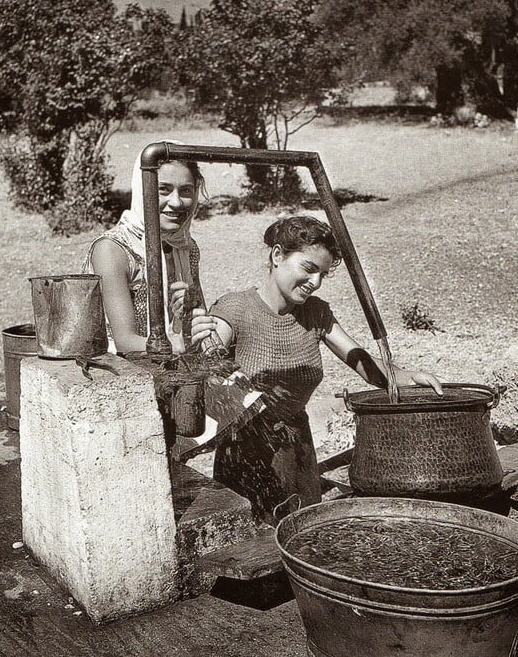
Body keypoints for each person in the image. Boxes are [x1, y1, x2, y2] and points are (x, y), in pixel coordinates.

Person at [190, 215, 443, 524]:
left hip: (298, 447)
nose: (316, 283)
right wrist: (199, 344)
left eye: (323, 274)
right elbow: (208, 368)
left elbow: (360, 360)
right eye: (309, 269)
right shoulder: (235, 309)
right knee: (256, 546)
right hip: (248, 456)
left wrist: (405, 376)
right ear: (278, 255)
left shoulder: (316, 313)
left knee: (304, 537)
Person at [83, 141, 209, 354]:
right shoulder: (113, 251)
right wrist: (179, 345)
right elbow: (125, 342)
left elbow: (195, 321)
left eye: (186, 190)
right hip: (117, 370)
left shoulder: (185, 246)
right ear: (143, 190)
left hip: (168, 357)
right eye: (163, 190)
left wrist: (187, 311)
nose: (176, 202)